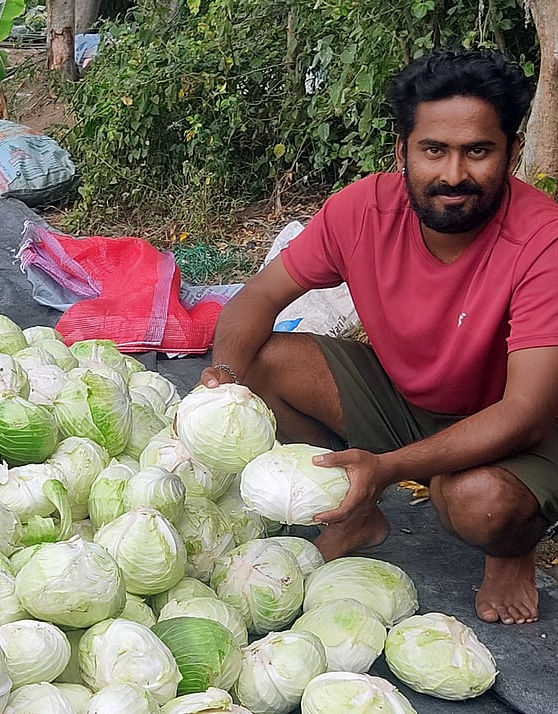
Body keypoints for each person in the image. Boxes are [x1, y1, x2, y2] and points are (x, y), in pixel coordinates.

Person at [200, 49, 558, 625]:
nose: (453, 175)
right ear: (403, 152)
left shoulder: (544, 241)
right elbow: (258, 297)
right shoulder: (362, 211)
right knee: (260, 363)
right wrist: (220, 382)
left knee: (480, 503)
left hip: (519, 430)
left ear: (512, 154)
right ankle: (354, 514)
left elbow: (526, 413)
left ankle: (511, 552)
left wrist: (388, 467)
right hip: (409, 402)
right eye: (433, 150)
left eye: (479, 151)